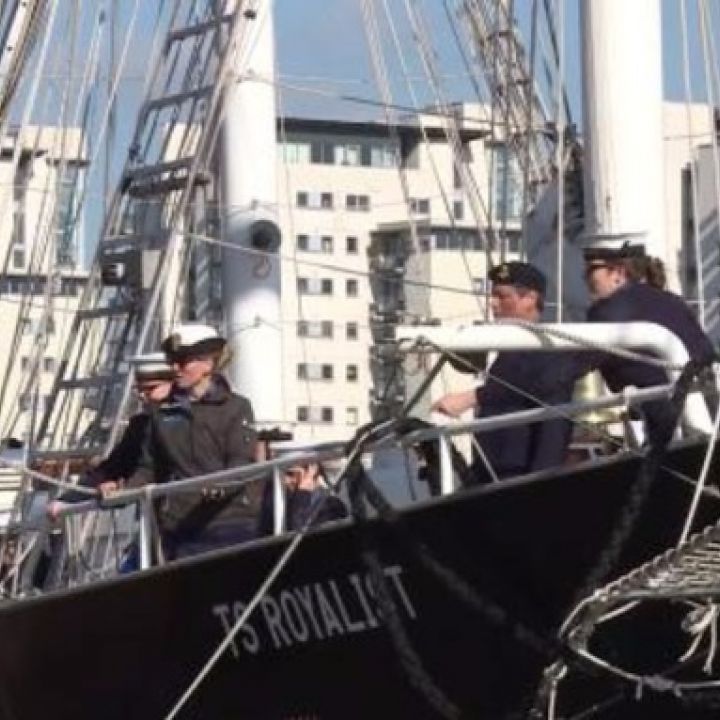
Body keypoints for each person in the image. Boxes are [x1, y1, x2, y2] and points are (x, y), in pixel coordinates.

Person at [433, 261, 576, 482]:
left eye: (502, 296)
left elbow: (553, 426)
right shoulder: (508, 352)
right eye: (493, 296)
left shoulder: (547, 350)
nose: (493, 303)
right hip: (492, 474)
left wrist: (542, 481)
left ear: (529, 298)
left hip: (518, 475)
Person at [126, 324, 258, 561]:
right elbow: (149, 467)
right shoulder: (162, 413)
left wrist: (221, 485)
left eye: (184, 361)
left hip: (230, 524)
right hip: (181, 527)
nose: (175, 368)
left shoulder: (236, 408)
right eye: (173, 361)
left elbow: (241, 462)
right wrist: (122, 490)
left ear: (208, 364)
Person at [581, 243, 715, 443]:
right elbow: (706, 351)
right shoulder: (674, 302)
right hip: (710, 412)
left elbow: (574, 366)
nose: (586, 279)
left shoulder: (604, 313)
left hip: (668, 426)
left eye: (592, 270)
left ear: (617, 272)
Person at [46, 353, 174, 520]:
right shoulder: (141, 427)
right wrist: (67, 500)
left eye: (150, 389)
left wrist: (124, 490)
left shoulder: (197, 419)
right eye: (139, 390)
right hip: (160, 522)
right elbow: (113, 467)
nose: (143, 396)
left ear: (173, 384)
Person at [257, 452, 347, 536]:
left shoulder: (331, 505)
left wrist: (303, 493)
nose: (286, 480)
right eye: (282, 475)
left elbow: (298, 535)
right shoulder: (283, 500)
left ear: (312, 471)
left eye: (291, 474)